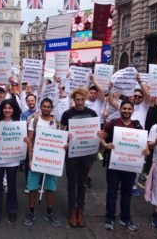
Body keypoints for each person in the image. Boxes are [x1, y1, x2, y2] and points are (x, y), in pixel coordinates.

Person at [101, 100, 149, 231]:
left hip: (130, 166)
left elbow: (144, 143)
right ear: (120, 109)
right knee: (111, 192)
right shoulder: (112, 123)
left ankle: (125, 218)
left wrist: (146, 150)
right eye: (124, 108)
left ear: (132, 110)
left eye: (129, 109)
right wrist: (106, 145)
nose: (126, 111)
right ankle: (110, 217)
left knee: (127, 193)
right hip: (114, 164)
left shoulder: (137, 126)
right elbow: (102, 138)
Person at [60, 88, 99, 228]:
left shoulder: (92, 113)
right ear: (74, 100)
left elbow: (96, 132)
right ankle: (72, 211)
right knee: (72, 183)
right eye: (78, 100)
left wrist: (99, 134)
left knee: (82, 184)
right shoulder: (67, 114)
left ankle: (80, 211)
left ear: (85, 99)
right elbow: (61, 130)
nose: (80, 102)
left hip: (86, 154)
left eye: (82, 100)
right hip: (72, 154)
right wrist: (66, 135)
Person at [23, 98, 62, 227]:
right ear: (41, 107)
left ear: (51, 108)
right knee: (33, 187)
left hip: (51, 160)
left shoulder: (56, 123)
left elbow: (59, 141)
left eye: (48, 106)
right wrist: (29, 160)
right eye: (44, 106)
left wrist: (65, 145)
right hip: (36, 159)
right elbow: (29, 141)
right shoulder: (34, 121)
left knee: (50, 188)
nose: (46, 108)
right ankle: (31, 212)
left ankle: (49, 213)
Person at [0, 99, 24, 225]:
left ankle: (12, 210)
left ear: (14, 109)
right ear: (1, 109)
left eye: (10, 108)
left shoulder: (19, 124)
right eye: (5, 108)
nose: (7, 110)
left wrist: (25, 139)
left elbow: (22, 140)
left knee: (11, 186)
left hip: (13, 160)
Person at [20, 93, 37, 191]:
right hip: (28, 141)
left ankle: (38, 184)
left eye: (32, 100)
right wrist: (31, 118)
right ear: (26, 102)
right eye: (29, 101)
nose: (30, 102)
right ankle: (28, 184)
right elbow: (22, 127)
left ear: (35, 101)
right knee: (28, 163)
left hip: (39, 141)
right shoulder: (24, 114)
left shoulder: (40, 111)